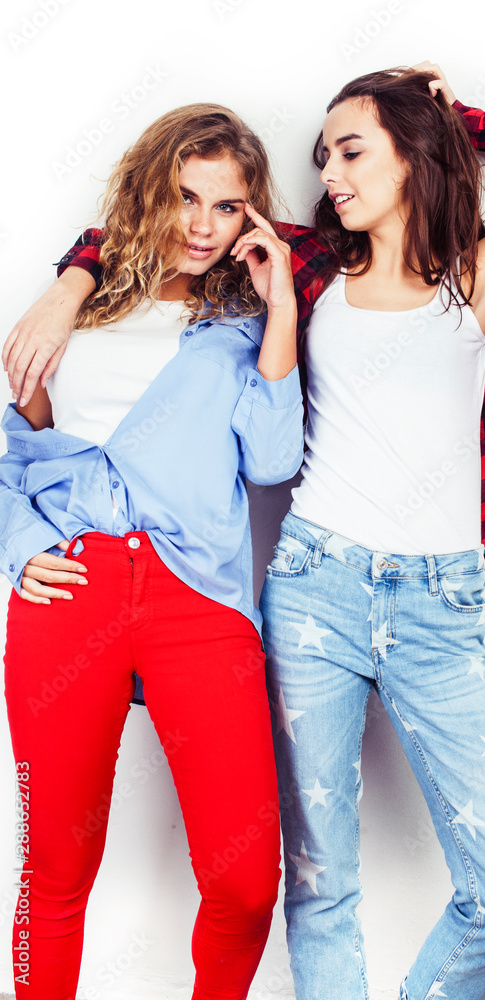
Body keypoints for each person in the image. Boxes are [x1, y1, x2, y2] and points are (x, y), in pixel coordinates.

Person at [4, 64, 485, 1000]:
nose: (332, 173)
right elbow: (167, 217)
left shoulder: (475, 269)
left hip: (433, 600)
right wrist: (71, 280)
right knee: (315, 886)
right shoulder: (310, 264)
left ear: (410, 153)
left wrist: (460, 114)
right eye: (323, 156)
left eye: (350, 149)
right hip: (312, 588)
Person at [0, 102, 304, 1000]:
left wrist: (280, 307)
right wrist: (20, 549)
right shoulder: (76, 308)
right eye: (184, 198)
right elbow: (14, 453)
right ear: (148, 193)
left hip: (198, 601)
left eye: (226, 205)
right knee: (56, 867)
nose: (203, 225)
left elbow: (275, 460)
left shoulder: (241, 326)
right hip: (71, 590)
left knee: (245, 883)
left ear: (251, 215)